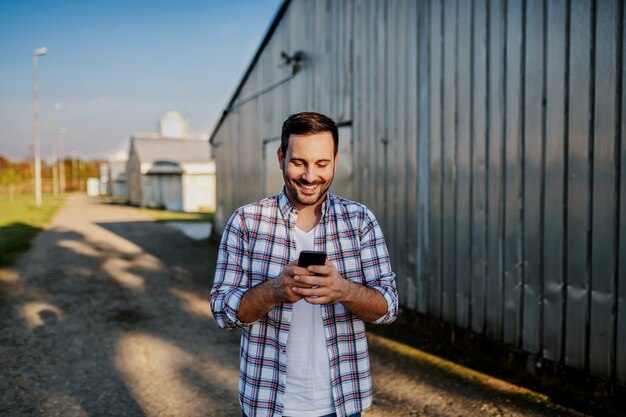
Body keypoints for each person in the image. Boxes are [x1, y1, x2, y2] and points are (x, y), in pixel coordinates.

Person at [210, 112, 398, 417]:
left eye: (322, 164)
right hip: (266, 402)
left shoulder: (359, 220)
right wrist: (272, 291)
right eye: (299, 162)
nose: (311, 176)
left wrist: (344, 291)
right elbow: (222, 312)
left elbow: (388, 307)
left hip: (343, 403)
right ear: (281, 157)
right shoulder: (246, 220)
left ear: (335, 160)